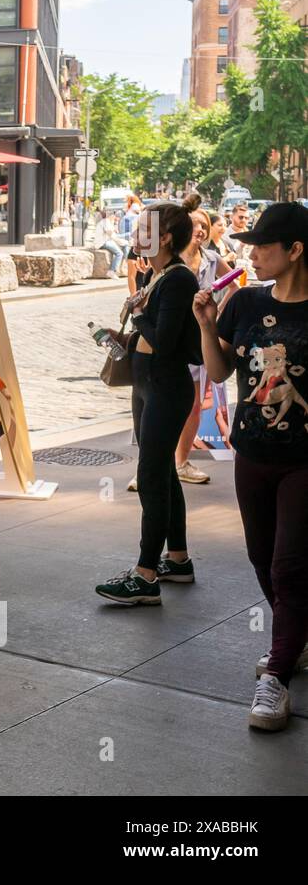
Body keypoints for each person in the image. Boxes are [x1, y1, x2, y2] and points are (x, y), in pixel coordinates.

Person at [193, 202, 308, 731]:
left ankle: (277, 675)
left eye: (263, 246)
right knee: (261, 555)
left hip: (304, 462)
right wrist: (207, 323)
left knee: (290, 564)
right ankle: (296, 636)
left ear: (295, 250)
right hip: (252, 452)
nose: (252, 254)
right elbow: (219, 371)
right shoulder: (243, 303)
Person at [95, 194, 203, 604]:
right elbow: (146, 337)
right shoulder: (152, 276)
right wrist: (123, 334)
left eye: (145, 229)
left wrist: (138, 314)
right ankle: (177, 559)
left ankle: (145, 575)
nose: (136, 234)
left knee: (153, 478)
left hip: (166, 387)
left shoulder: (178, 279)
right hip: (145, 385)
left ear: (167, 237)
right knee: (161, 473)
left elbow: (166, 340)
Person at [174, 210, 231, 484]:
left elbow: (235, 283)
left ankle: (181, 462)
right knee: (166, 402)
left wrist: (218, 313)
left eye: (204, 225)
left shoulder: (212, 259)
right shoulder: (172, 260)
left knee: (194, 405)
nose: (199, 229)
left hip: (200, 342)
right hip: (174, 340)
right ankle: (157, 464)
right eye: (194, 224)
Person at [95, 209, 127, 275]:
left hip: (106, 241)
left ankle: (122, 268)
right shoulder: (106, 222)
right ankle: (112, 271)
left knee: (124, 246)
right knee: (119, 253)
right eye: (114, 215)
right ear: (111, 216)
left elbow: (114, 236)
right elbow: (112, 235)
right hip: (103, 242)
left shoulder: (107, 222)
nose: (115, 217)